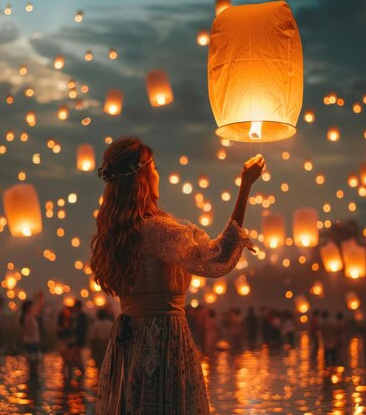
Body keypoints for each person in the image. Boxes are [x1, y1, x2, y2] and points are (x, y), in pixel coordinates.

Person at [90, 136, 264, 414]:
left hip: (129, 344)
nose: (158, 174)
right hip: (162, 342)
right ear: (142, 177)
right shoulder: (157, 231)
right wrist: (245, 186)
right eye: (154, 168)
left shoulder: (116, 235)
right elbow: (217, 256)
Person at [20, 291, 45, 380]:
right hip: (32, 342)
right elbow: (39, 307)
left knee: (32, 363)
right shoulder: (29, 317)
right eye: (30, 306)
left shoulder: (27, 316)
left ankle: (32, 380)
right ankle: (33, 380)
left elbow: (38, 307)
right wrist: (40, 298)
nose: (32, 307)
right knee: (34, 363)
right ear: (27, 308)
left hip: (30, 342)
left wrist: (37, 298)